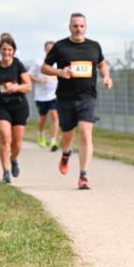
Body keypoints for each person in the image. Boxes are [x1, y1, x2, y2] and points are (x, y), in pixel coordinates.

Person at [42, 13, 112, 190]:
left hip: (87, 97)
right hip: (65, 98)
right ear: (70, 27)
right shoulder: (60, 46)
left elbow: (102, 64)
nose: (78, 29)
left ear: (86, 27)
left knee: (85, 132)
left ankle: (83, 176)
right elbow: (45, 67)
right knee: (67, 135)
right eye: (75, 26)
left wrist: (106, 76)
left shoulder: (94, 46)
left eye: (81, 26)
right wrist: (59, 72)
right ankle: (66, 153)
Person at [0, 36, 31, 183]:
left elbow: (28, 86)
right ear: (0, 50)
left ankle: (14, 159)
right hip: (2, 106)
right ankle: (6, 172)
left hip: (19, 105)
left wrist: (16, 87)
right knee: (5, 138)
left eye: (9, 50)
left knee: (17, 143)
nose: (6, 52)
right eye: (4, 49)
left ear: (13, 51)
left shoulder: (18, 65)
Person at [30, 41, 60, 151]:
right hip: (41, 96)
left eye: (52, 49)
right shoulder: (38, 62)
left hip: (54, 95)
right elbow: (29, 76)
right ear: (45, 50)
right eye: (48, 49)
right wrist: (38, 79)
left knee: (54, 116)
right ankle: (41, 134)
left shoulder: (58, 62)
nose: (50, 51)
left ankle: (53, 140)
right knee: (43, 118)